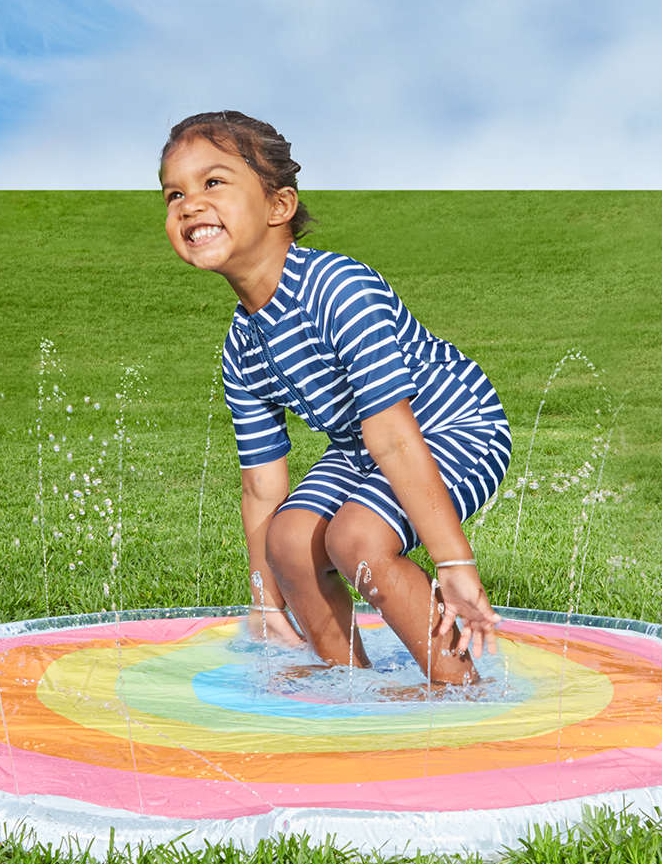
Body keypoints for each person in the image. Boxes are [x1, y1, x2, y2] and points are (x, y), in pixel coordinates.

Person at [161, 111, 511, 685]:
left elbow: (396, 436)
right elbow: (262, 485)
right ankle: (350, 685)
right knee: (290, 540)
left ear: (279, 207)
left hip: (455, 425)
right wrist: (265, 599)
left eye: (213, 182)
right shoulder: (241, 347)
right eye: (175, 193)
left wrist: (454, 563)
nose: (189, 203)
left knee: (357, 538)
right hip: (363, 446)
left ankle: (459, 690)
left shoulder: (339, 288)